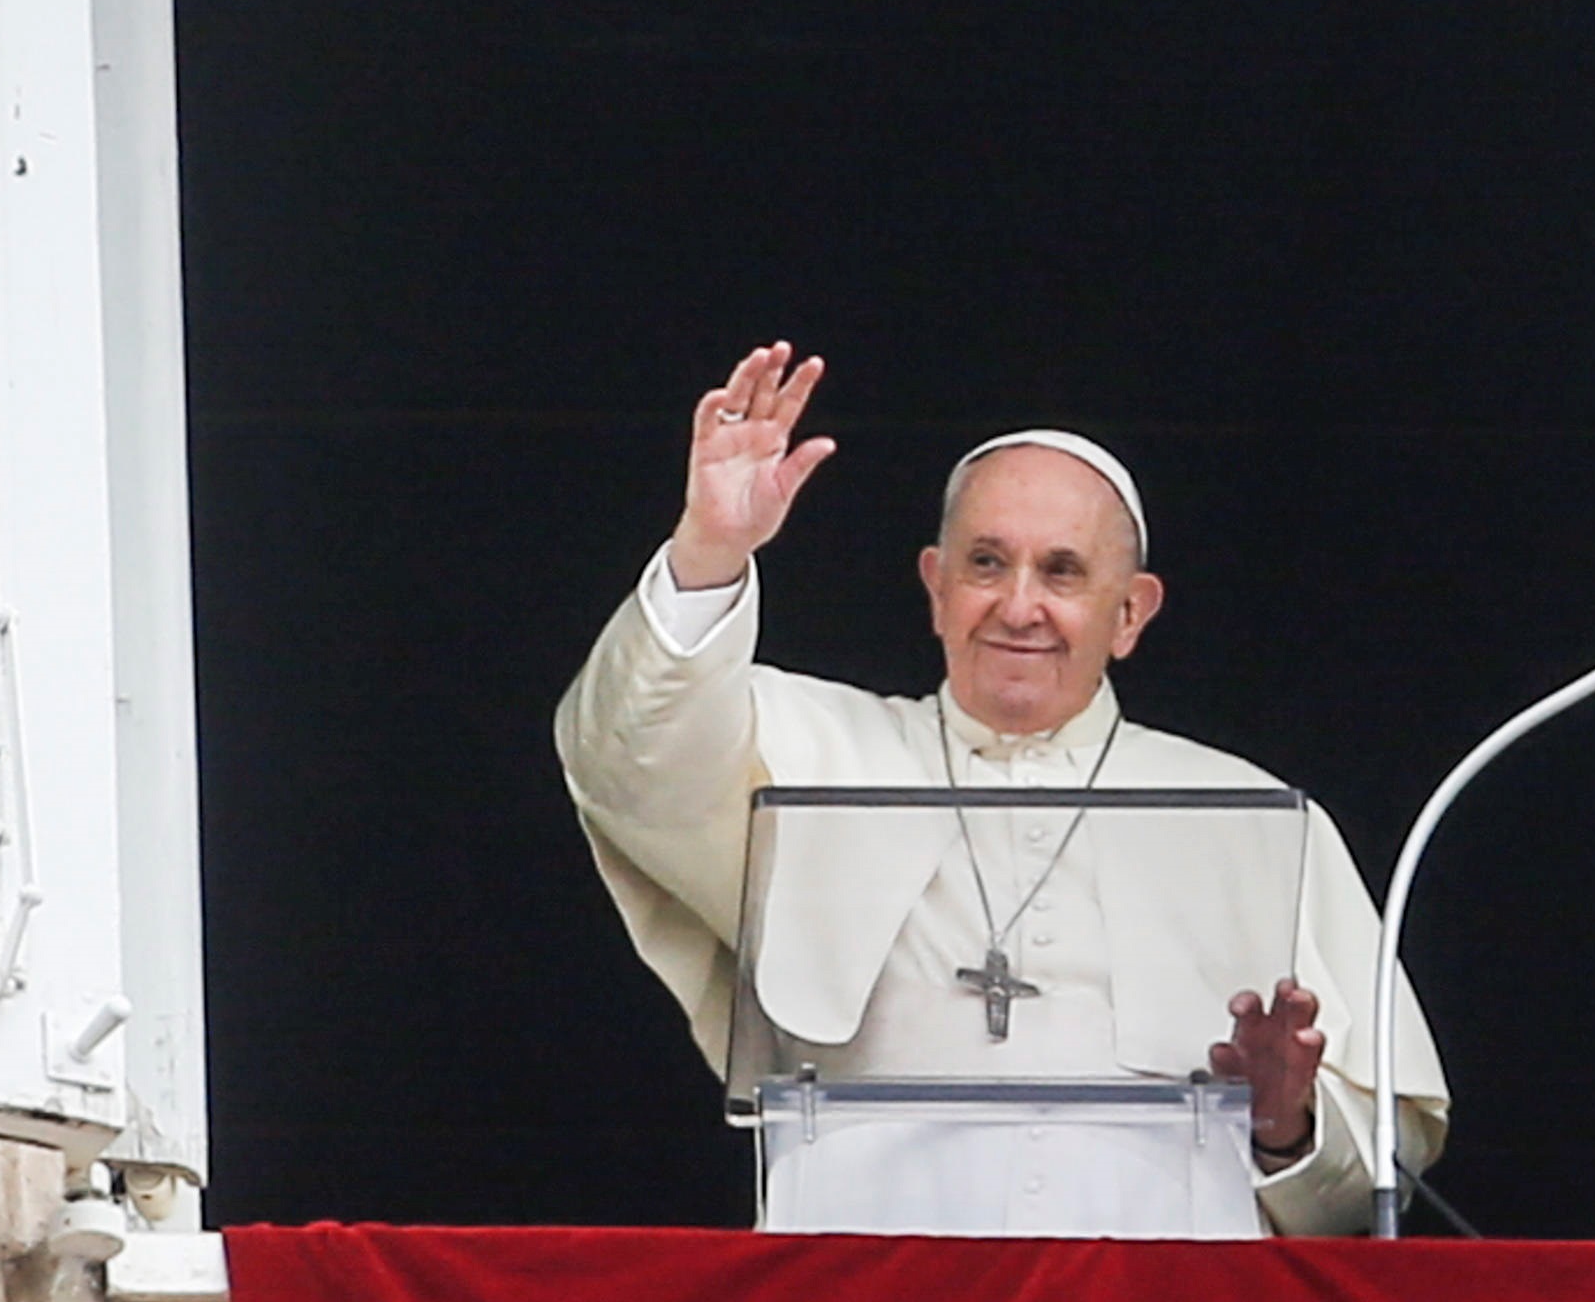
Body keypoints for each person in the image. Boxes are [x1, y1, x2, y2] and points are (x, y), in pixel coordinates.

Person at [555, 342, 1446, 1235]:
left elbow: (1378, 1177)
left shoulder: (1255, 820)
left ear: (1130, 612)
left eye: (1062, 571)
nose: (1019, 606)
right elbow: (627, 759)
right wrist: (709, 549)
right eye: (986, 563)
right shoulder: (804, 751)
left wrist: (1284, 1124)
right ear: (936, 588)